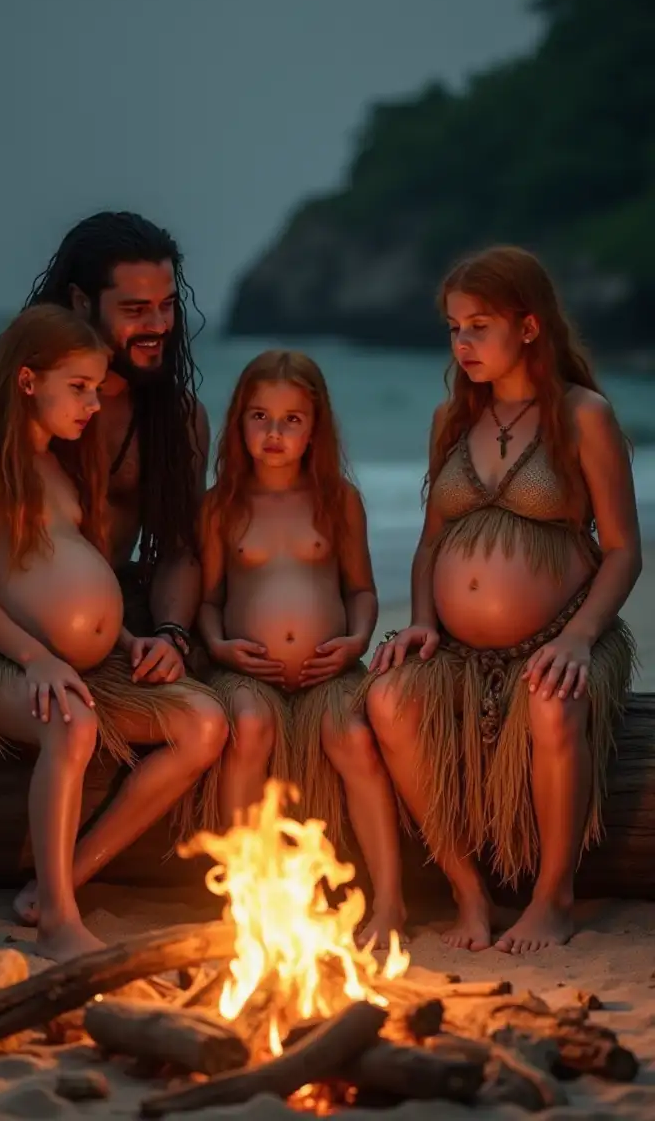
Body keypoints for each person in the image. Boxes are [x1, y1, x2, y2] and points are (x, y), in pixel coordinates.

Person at [0, 306, 227, 962]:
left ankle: (62, 877)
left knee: (205, 722)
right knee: (73, 725)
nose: (94, 403)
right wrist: (33, 658)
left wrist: (127, 642)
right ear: (28, 380)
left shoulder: (61, 469)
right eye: (80, 387)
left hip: (80, 661)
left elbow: (70, 574)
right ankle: (60, 919)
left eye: (97, 388)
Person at [365, 246, 640, 956]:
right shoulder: (451, 419)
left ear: (527, 326)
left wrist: (578, 638)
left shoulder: (585, 416)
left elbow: (622, 551)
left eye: (478, 326)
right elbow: (431, 544)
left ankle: (553, 898)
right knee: (389, 699)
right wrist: (422, 622)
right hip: (456, 647)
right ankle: (467, 891)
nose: (463, 344)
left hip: (563, 630)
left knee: (552, 699)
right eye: (455, 329)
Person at [0, 211, 209, 684]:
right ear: (81, 302)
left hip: (112, 621)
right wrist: (42, 618)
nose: (159, 325)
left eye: (168, 305)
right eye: (135, 310)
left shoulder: (178, 419)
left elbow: (180, 551)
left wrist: (171, 635)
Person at [195, 350, 406, 946]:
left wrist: (356, 641)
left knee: (355, 738)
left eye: (292, 419)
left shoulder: (338, 501)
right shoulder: (221, 505)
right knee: (251, 725)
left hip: (330, 670)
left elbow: (362, 590)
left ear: (316, 427)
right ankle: (242, 897)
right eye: (259, 417)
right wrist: (219, 646)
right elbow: (208, 601)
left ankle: (390, 902)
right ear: (238, 422)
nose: (274, 433)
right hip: (245, 673)